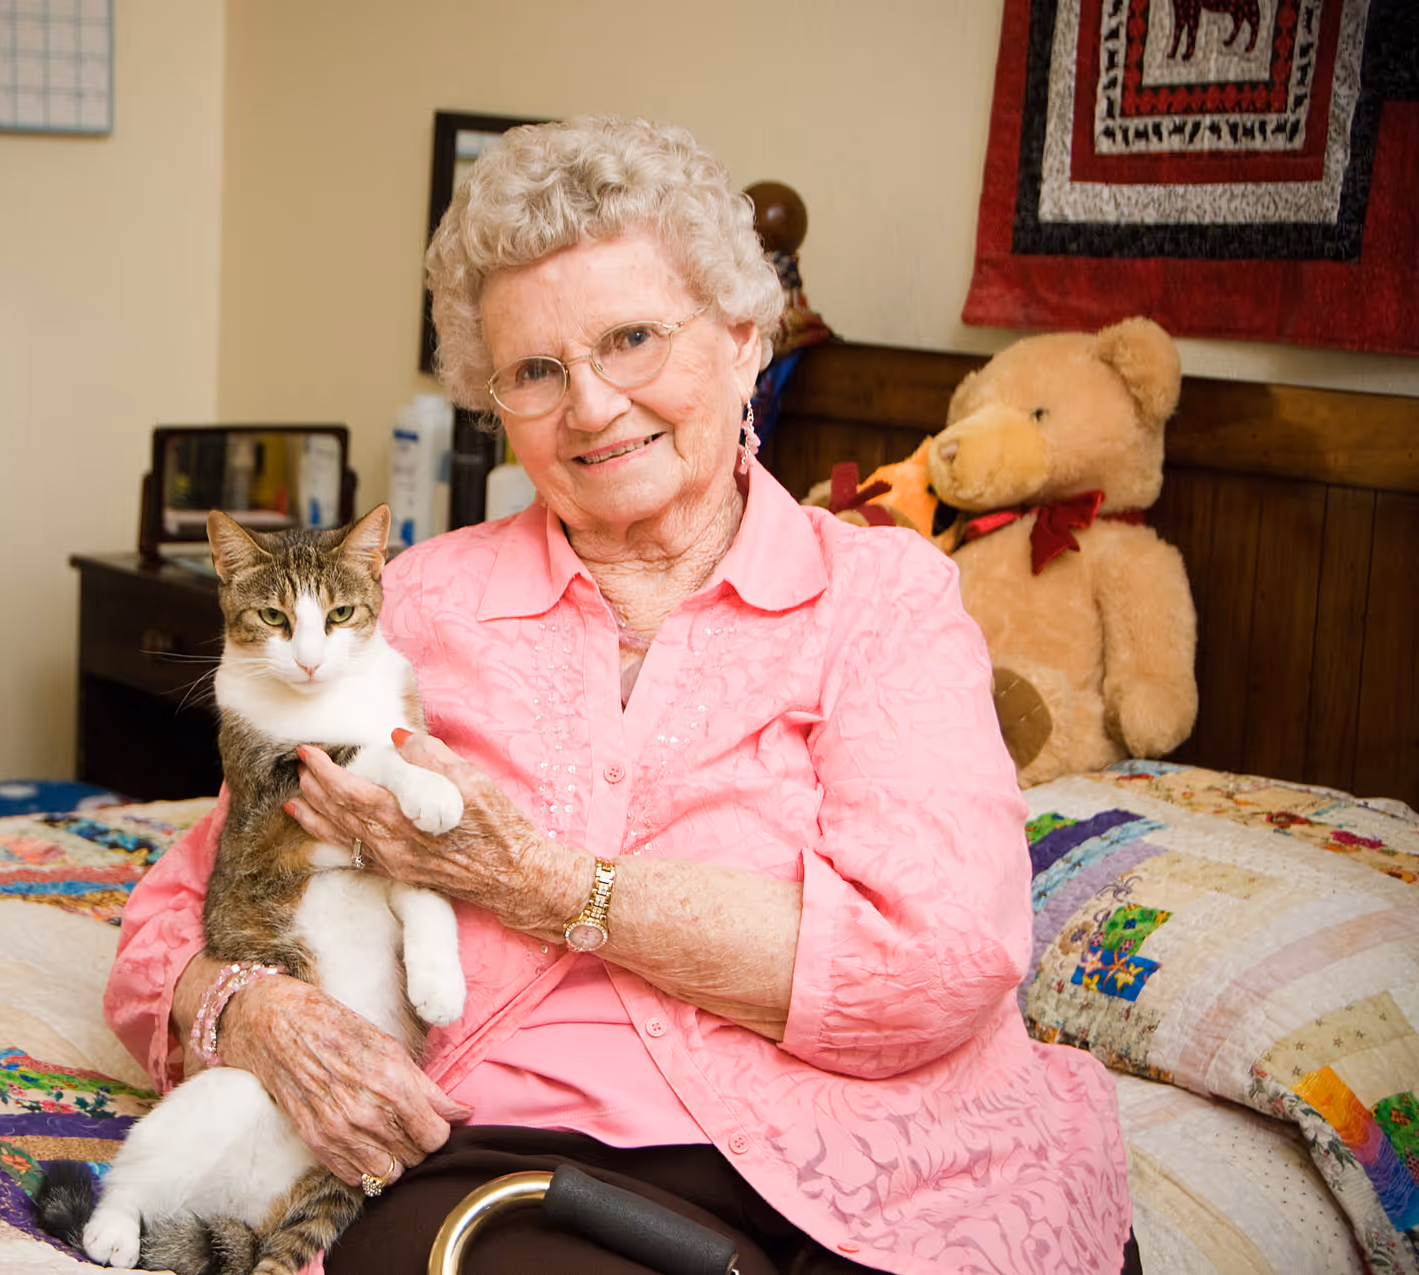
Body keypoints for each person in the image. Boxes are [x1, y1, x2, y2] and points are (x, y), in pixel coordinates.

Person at [105, 116, 1136, 1275]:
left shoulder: (885, 602)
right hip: (517, 1167)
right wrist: (251, 1013)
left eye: (634, 339)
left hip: (902, 1169)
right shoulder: (420, 605)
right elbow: (176, 914)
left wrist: (545, 885)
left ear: (746, 338)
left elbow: (940, 959)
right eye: (536, 371)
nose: (592, 407)